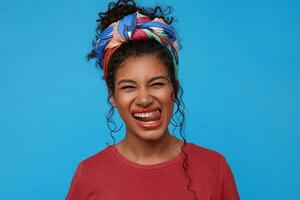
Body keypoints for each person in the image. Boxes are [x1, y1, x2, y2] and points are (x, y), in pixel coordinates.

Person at [66, 0, 240, 199]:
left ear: (174, 88)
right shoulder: (88, 174)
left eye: (156, 84)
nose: (144, 99)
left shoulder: (214, 168)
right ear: (113, 96)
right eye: (128, 87)